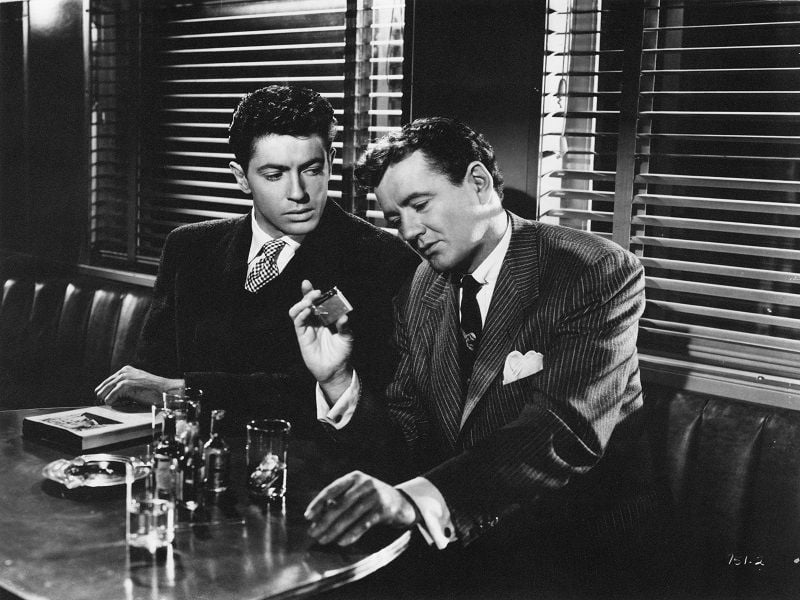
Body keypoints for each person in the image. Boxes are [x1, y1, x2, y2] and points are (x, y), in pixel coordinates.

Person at [290, 117, 670, 596]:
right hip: (467, 549)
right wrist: (337, 379)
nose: (409, 230)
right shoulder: (420, 288)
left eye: (420, 204)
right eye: (395, 219)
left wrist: (418, 499)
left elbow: (563, 430)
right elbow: (407, 435)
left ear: (478, 182)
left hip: (578, 554)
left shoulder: (591, 270)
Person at [95, 85, 419, 437]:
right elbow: (150, 377)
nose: (298, 193)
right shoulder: (188, 248)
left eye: (312, 169)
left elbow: (334, 394)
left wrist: (185, 389)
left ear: (331, 160)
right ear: (241, 178)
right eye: (274, 175)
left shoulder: (383, 260)